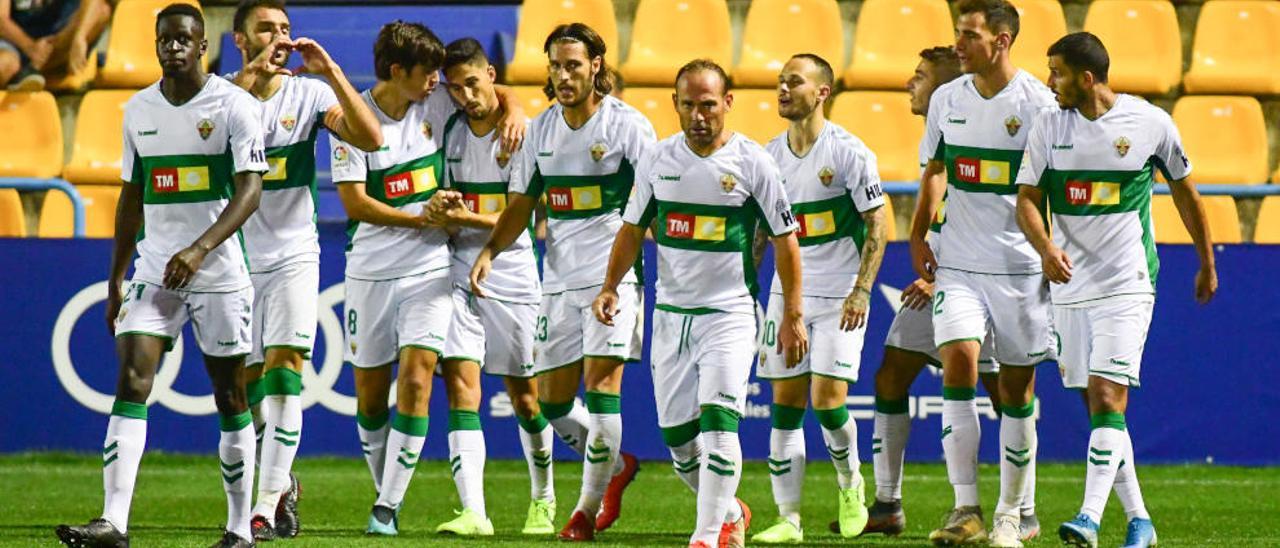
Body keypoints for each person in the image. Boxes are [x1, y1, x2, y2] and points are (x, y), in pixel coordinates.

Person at [55, 4, 267, 547]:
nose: (173, 48)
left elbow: (250, 190)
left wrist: (200, 248)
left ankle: (240, 528)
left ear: (203, 46)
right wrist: (115, 277)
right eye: (164, 40)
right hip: (155, 268)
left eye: (184, 40)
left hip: (218, 269)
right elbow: (132, 196)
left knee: (229, 396)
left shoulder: (234, 106)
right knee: (131, 379)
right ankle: (114, 523)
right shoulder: (138, 109)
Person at [593, 58, 807, 548]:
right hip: (670, 318)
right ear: (675, 105)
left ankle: (706, 535)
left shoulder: (754, 162)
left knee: (718, 423)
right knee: (678, 442)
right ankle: (731, 511)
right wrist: (610, 285)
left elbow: (786, 242)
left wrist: (792, 314)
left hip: (729, 316)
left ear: (727, 103)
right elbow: (630, 230)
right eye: (687, 105)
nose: (698, 115)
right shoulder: (657, 160)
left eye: (708, 104)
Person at [1014, 32, 1217, 548]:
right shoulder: (1047, 126)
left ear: (1086, 78)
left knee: (1107, 395)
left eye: (1056, 72)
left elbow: (1185, 192)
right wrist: (1044, 248)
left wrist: (1206, 261)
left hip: (1128, 282)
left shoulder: (1149, 123)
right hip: (1069, 286)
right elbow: (1028, 201)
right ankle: (1140, 521)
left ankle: (1087, 518)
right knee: (1101, 410)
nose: (1049, 81)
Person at [470, 22, 650, 541]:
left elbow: (653, 199)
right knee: (551, 401)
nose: (563, 74)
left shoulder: (628, 126)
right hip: (560, 282)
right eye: (555, 65)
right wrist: (490, 250)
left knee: (602, 391)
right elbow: (521, 205)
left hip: (612, 281)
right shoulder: (542, 131)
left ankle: (584, 512)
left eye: (573, 64)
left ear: (596, 66)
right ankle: (617, 467)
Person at [861, 45, 1040, 541]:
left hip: (985, 274)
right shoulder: (945, 125)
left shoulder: (1013, 110)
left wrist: (942, 272)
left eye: (920, 76)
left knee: (1006, 392)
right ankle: (890, 503)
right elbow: (939, 193)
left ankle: (1021, 507)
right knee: (893, 373)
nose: (909, 84)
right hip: (946, 274)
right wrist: (925, 247)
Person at [226, 0, 383, 540]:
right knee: (246, 391)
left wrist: (332, 72)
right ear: (240, 40)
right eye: (265, 29)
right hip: (235, 259)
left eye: (286, 29)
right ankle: (283, 482)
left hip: (294, 252)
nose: (279, 38)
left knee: (286, 370)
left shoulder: (308, 94)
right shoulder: (217, 98)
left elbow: (370, 138)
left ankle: (263, 508)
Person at [908, 1, 1058, 545]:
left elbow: (1052, 193)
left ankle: (1015, 511)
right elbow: (935, 169)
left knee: (1017, 388)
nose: (958, 46)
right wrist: (919, 230)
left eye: (968, 36)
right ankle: (965, 506)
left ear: (1001, 41)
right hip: (961, 264)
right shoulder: (948, 99)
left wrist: (1049, 251)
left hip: (1019, 267)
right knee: (959, 363)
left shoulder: (1040, 106)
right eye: (957, 34)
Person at [750, 53, 887, 544]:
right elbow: (762, 233)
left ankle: (851, 486)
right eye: (779, 82)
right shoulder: (768, 156)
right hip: (787, 297)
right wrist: (751, 287)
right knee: (785, 403)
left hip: (839, 296)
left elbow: (877, 221)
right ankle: (788, 518)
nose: (782, 89)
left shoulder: (849, 152)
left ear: (822, 92)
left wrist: (862, 290)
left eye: (793, 81)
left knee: (827, 401)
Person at [424, 36, 545, 537]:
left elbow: (519, 216)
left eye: (472, 83)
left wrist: (464, 214)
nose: (465, 95)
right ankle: (474, 511)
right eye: (455, 88)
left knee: (527, 398)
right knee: (461, 387)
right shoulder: (450, 125)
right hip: (457, 265)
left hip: (512, 267)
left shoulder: (523, 134)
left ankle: (544, 498)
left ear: (491, 74)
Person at [0, 0, 112, 90]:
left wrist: (80, 36)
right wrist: (30, 47)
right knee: (4, 65)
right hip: (16, 40)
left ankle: (33, 71)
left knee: (101, 11)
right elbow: (1, 19)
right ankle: (24, 73)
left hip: (58, 39)